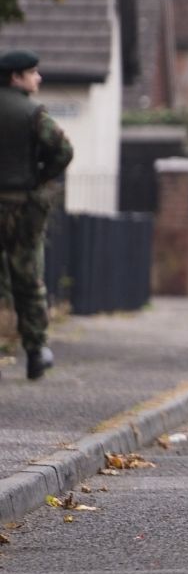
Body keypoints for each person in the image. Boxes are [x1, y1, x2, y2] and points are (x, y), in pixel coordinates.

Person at [0, 49, 73, 381]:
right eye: (33, 72)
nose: (38, 78)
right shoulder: (33, 113)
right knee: (27, 275)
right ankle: (35, 351)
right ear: (16, 77)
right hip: (22, 206)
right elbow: (63, 150)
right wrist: (41, 175)